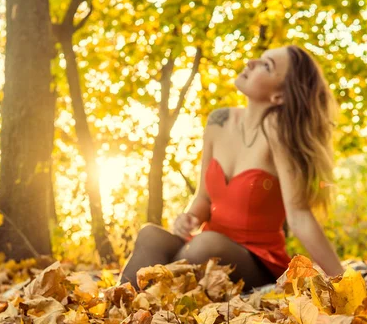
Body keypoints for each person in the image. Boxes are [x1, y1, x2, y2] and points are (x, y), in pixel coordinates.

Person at [119, 45, 345, 291]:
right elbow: (203, 197)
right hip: (200, 248)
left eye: (266, 66)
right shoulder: (219, 121)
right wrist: (190, 218)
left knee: (207, 245)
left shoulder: (278, 133)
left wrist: (342, 280)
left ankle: (153, 290)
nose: (251, 62)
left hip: (256, 261)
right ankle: (121, 310)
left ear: (279, 96)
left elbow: (299, 216)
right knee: (150, 235)